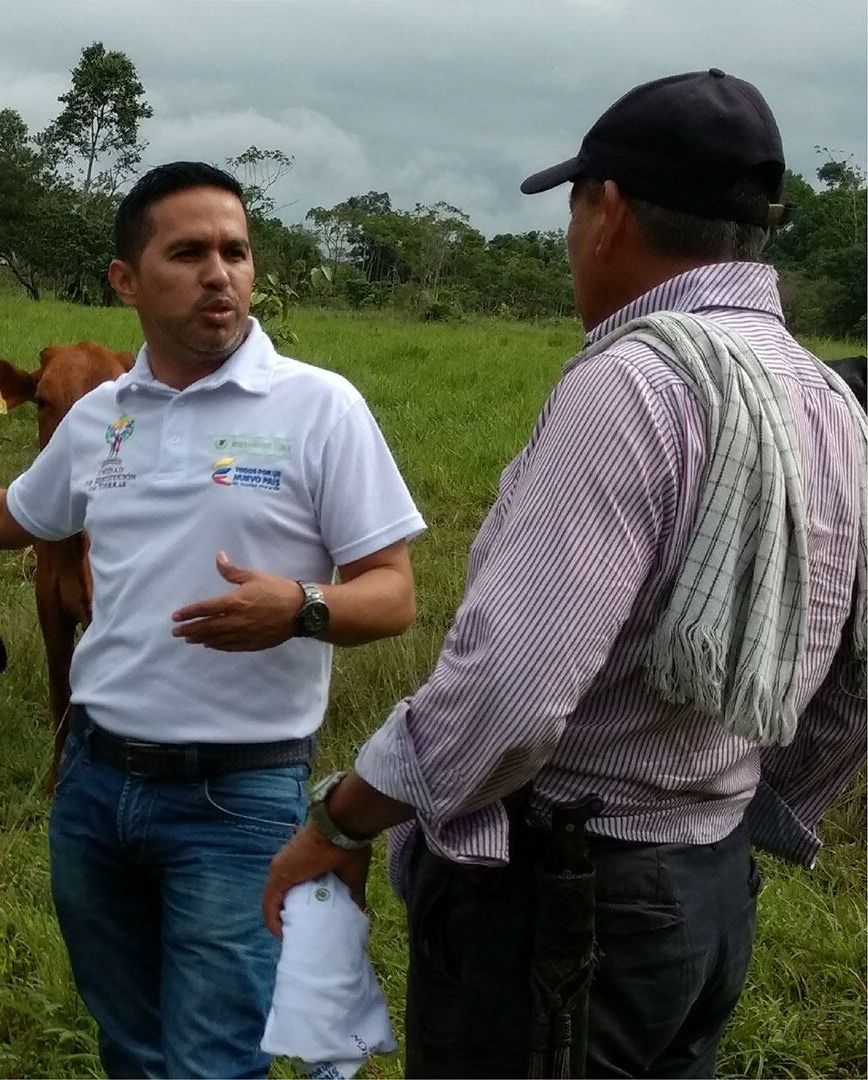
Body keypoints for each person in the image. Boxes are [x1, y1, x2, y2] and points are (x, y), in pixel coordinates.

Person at [0, 161, 425, 1078]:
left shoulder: (320, 407)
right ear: (126, 280)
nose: (219, 273)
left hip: (237, 798)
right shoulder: (101, 414)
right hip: (95, 786)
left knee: (211, 1062)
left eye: (234, 251)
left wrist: (301, 608)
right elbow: (9, 516)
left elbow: (392, 593)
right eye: (188, 252)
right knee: (131, 1049)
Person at [264, 70, 867, 1077]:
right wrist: (742, 815)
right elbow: (852, 676)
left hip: (568, 913)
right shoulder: (828, 401)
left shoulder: (633, 385)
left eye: (575, 207)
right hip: (708, 899)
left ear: (609, 210)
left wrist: (341, 818)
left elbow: (510, 693)